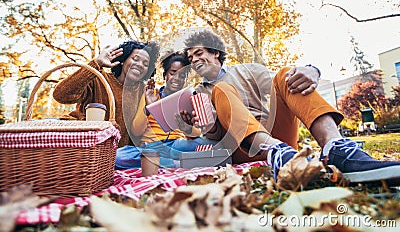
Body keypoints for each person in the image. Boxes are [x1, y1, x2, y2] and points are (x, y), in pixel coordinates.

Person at [181, 29, 400, 183]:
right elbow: (213, 137)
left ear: (215, 53)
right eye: (191, 58)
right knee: (222, 90)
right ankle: (276, 153)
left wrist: (312, 70)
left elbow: (286, 84)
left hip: (279, 140)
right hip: (243, 148)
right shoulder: (197, 94)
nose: (195, 60)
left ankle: (336, 148)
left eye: (199, 53)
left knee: (287, 73)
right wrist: (203, 127)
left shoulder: (247, 71)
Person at [115, 52, 216, 169]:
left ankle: (164, 163)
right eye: (173, 73)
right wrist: (148, 108)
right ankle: (175, 164)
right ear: (165, 75)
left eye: (182, 75)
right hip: (151, 146)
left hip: (177, 145)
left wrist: (187, 129)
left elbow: (197, 133)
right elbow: (136, 131)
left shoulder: (189, 98)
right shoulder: (151, 94)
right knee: (118, 157)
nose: (177, 79)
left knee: (211, 145)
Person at [53, 40, 160, 147]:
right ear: (123, 60)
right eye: (135, 59)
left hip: (116, 156)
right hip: (84, 147)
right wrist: (97, 63)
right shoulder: (99, 79)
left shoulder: (145, 93)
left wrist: (149, 108)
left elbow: (138, 135)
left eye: (145, 64)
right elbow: (61, 95)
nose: (140, 65)